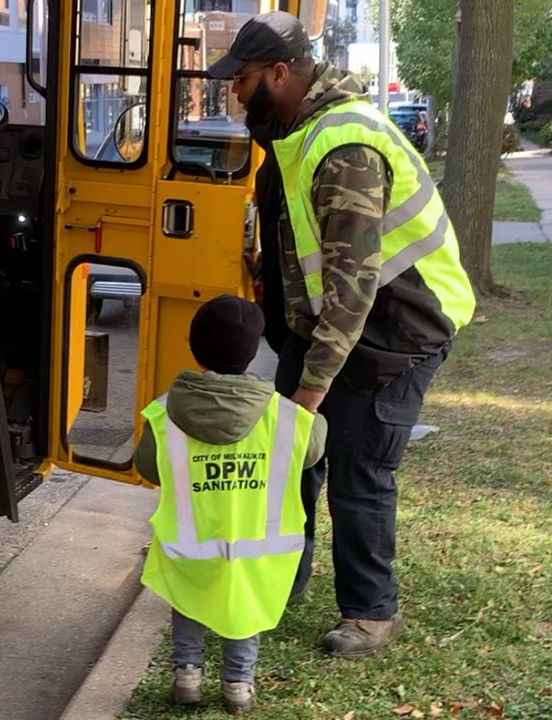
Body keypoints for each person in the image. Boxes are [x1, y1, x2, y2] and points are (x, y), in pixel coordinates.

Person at [208, 12, 476, 658]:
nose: (235, 94)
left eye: (241, 80)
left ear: (279, 73)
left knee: (356, 461)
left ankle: (371, 615)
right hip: (335, 320)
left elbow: (353, 291)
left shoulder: (345, 147)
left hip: (400, 326)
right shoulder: (297, 132)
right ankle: (276, 584)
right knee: (288, 457)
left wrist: (310, 390)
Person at [133, 295, 327, 715]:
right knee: (244, 611)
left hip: (190, 545)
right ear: (254, 350)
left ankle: (187, 674)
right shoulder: (285, 417)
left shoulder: (166, 413)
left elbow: (147, 466)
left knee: (188, 602)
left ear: (193, 347)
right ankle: (238, 684)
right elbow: (312, 448)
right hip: (257, 547)